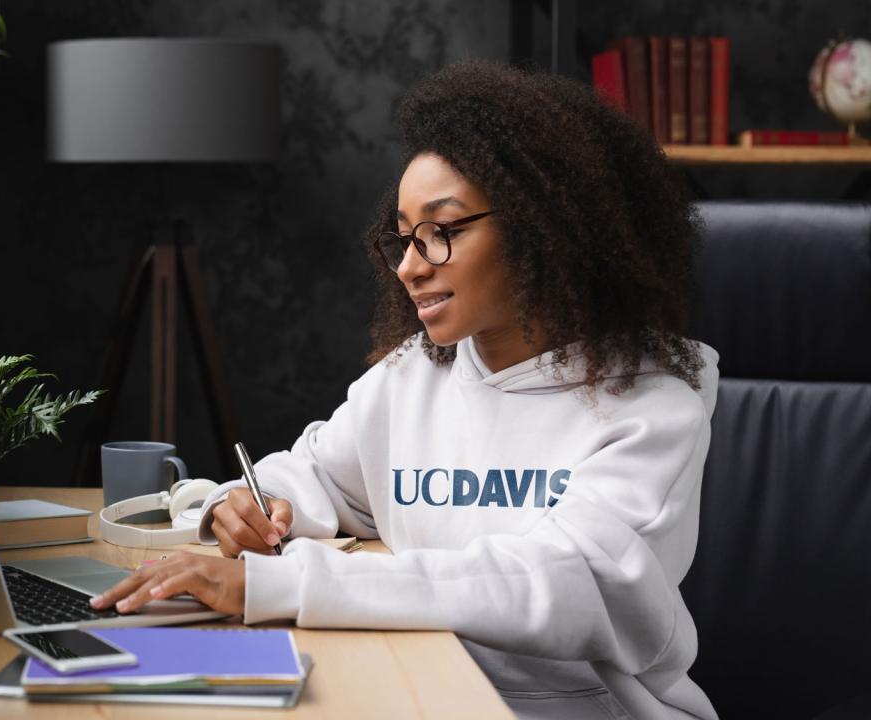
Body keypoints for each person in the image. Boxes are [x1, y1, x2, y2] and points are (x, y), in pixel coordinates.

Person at [92, 60, 719, 720]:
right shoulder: (415, 374)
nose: (411, 268)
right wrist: (252, 501)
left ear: (545, 228)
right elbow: (318, 474)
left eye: (444, 232)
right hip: (422, 692)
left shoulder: (651, 411)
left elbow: (556, 581)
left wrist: (280, 582)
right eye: (403, 239)